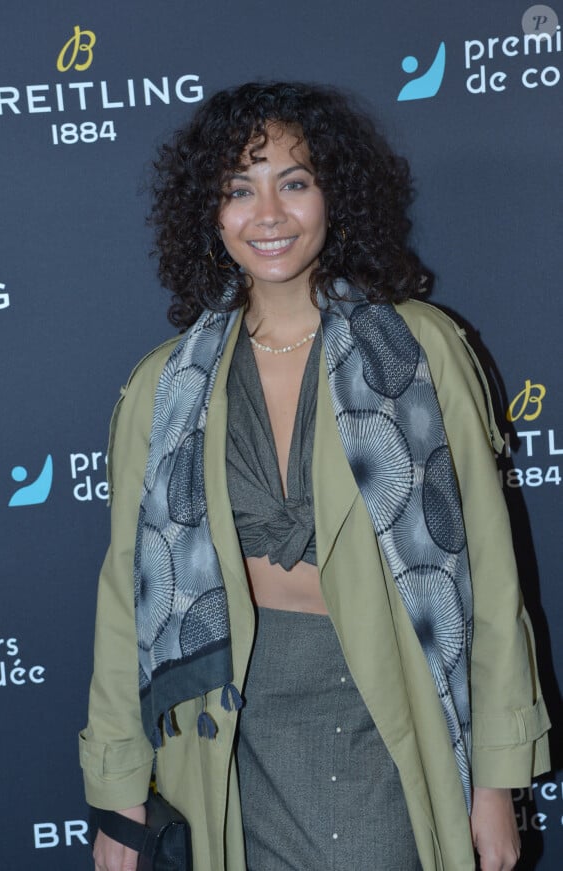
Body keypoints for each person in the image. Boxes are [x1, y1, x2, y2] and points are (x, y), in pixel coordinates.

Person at [80, 81, 551, 871]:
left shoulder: (421, 351)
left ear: (334, 195)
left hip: (393, 715)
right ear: (210, 210)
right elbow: (128, 599)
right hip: (231, 732)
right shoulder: (165, 387)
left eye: (294, 182)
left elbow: (489, 578)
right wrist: (121, 797)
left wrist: (496, 782)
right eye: (240, 189)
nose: (268, 215)